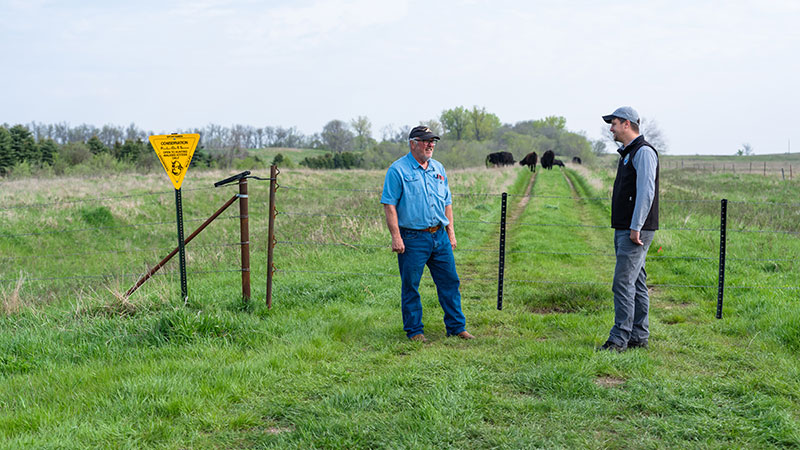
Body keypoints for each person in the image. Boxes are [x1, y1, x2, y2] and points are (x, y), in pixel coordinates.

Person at [380, 125, 474, 342]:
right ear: (413, 143)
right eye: (425, 141)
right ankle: (415, 332)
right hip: (413, 238)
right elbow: (389, 204)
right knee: (411, 285)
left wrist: (451, 232)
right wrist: (396, 236)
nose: (431, 144)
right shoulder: (398, 170)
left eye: (433, 141)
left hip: (439, 235)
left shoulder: (438, 168)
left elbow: (447, 202)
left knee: (450, 282)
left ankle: (457, 327)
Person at [598, 106, 659, 352]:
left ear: (626, 123)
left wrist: (636, 227)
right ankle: (638, 335)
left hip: (634, 230)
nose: (610, 129)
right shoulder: (628, 153)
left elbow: (646, 191)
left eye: (613, 123)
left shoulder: (643, 152)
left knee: (623, 283)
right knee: (637, 282)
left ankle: (618, 339)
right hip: (627, 227)